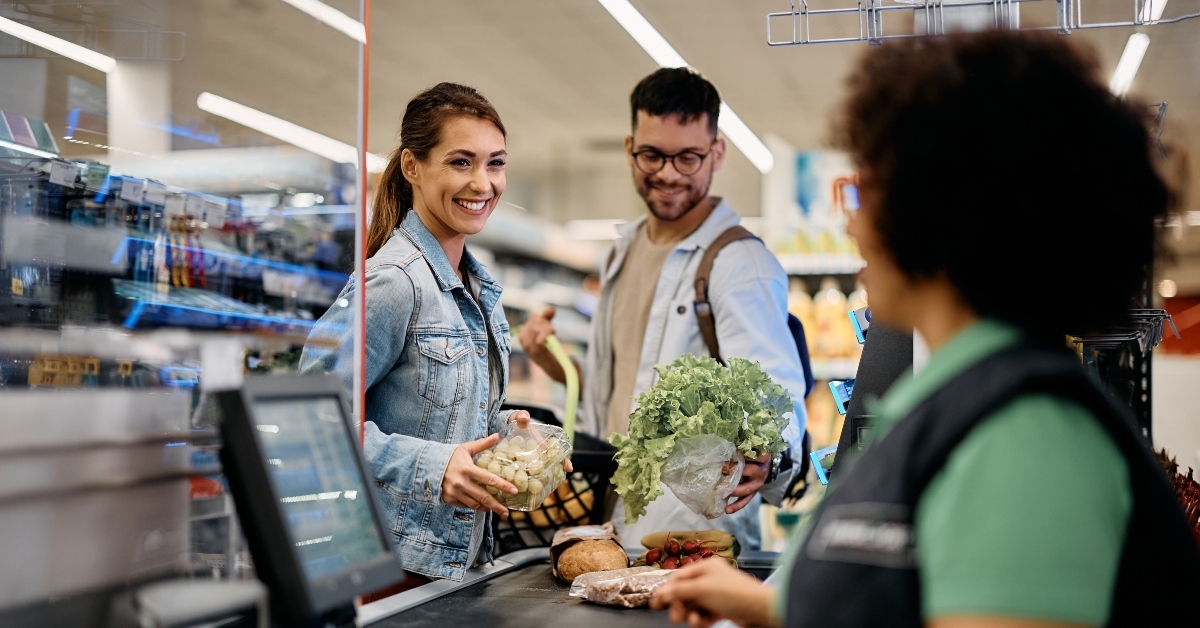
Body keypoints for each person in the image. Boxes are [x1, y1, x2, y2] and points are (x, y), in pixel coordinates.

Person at [651, 32, 1200, 628]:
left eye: (870, 190)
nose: (853, 220)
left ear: (943, 210)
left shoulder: (1026, 435)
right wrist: (765, 606)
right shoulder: (959, 395)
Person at [519, 68, 808, 549]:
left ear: (716, 153)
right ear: (631, 147)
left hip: (693, 536)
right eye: (652, 155)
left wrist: (769, 459)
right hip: (611, 523)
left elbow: (776, 395)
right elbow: (628, 394)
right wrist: (559, 365)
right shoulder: (623, 250)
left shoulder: (739, 263)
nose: (668, 173)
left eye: (688, 157)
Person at [299, 83, 568, 585]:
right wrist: (434, 466)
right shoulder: (394, 282)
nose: (483, 183)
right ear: (411, 167)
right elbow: (308, 420)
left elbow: (429, 413)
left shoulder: (477, 284)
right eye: (461, 162)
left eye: (495, 163)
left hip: (451, 567)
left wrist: (511, 435)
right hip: (389, 567)